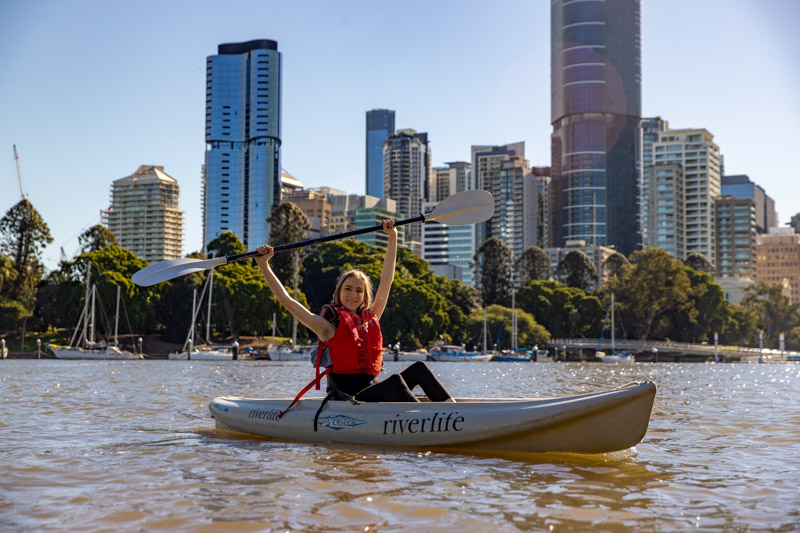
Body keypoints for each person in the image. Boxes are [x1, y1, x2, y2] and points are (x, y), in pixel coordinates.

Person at [255, 219, 454, 403]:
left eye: (359, 290)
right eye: (348, 289)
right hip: (347, 399)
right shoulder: (327, 326)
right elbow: (287, 301)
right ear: (338, 292)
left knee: (419, 368)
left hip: (372, 392)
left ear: (365, 296)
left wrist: (392, 237)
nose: (353, 295)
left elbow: (387, 279)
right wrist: (264, 265)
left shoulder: (371, 317)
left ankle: (451, 411)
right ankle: (426, 420)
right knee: (394, 381)